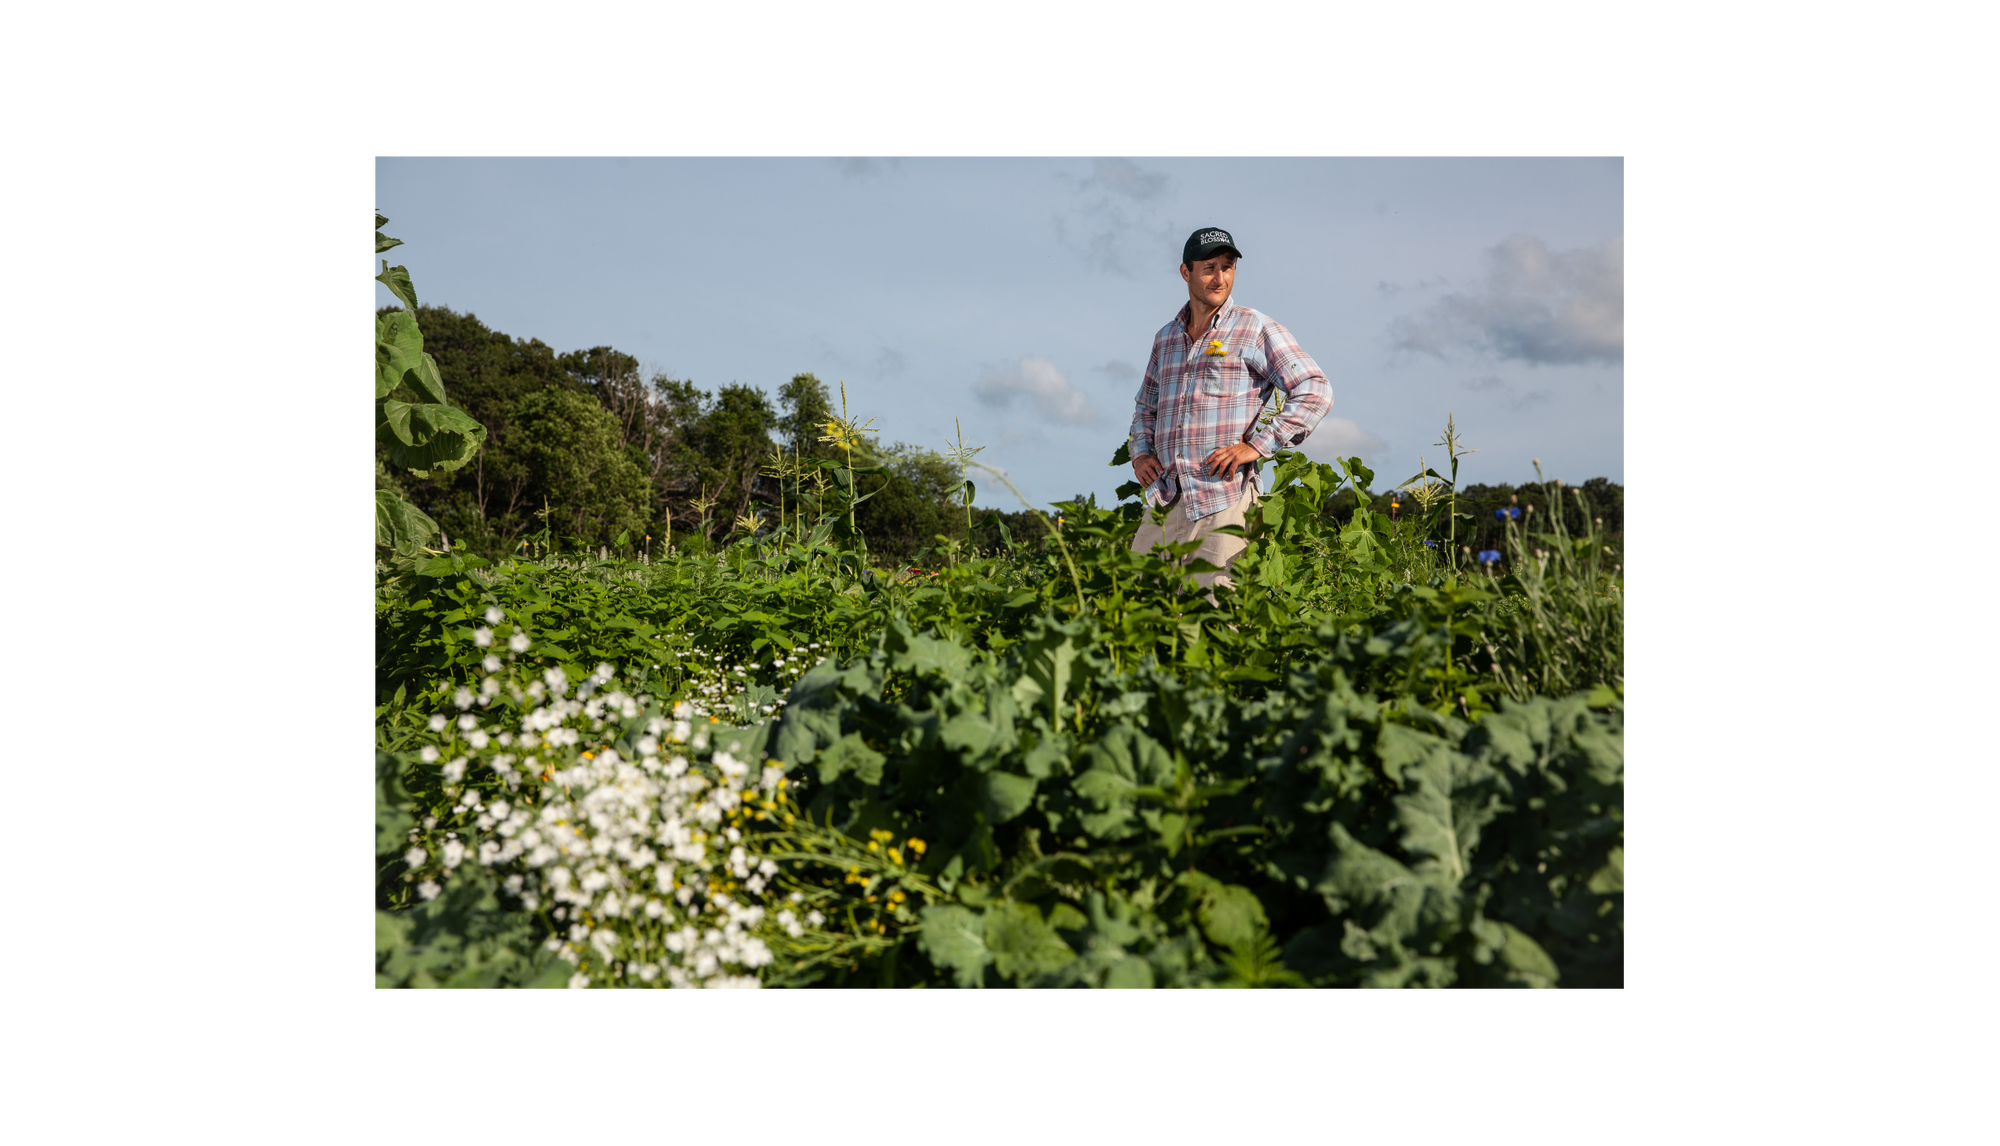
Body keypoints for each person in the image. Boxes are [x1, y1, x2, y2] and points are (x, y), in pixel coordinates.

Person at [1127, 227, 1333, 598]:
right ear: (1185, 272)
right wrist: (1141, 453)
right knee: (1141, 614)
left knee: (1219, 621)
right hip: (1166, 499)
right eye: (1209, 267)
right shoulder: (1166, 339)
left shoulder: (1254, 328)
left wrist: (1256, 446)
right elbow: (1146, 404)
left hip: (1224, 502)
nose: (1219, 277)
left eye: (1227, 267)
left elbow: (1315, 389)